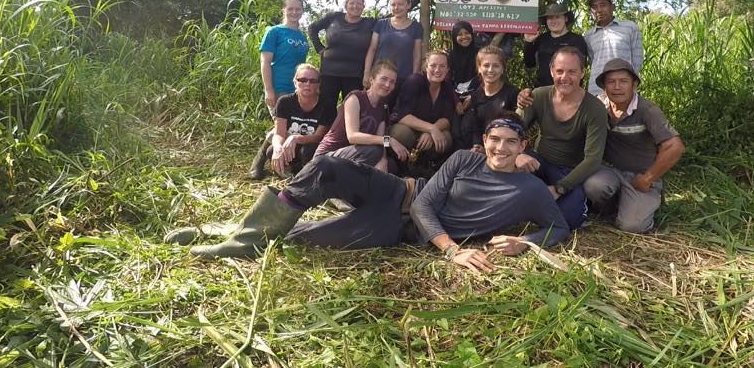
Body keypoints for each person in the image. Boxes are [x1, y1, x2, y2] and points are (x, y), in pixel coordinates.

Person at [168, 113, 570, 274]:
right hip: (400, 190)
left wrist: (527, 241)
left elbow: (560, 227)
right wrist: (451, 250)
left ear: (523, 145)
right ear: (485, 140)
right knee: (325, 167)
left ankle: (220, 234)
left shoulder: (531, 189)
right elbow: (427, 202)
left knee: (308, 238)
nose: (501, 149)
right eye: (495, 140)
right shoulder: (465, 159)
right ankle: (240, 236)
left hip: (397, 227)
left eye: (510, 142)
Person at [583, 59, 684, 233]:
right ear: (603, 87)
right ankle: (613, 206)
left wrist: (647, 178)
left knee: (633, 226)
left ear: (634, 84)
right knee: (593, 186)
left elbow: (675, 146)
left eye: (623, 81)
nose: (617, 87)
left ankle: (644, 202)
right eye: (611, 82)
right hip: (609, 170)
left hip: (639, 175)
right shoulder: (598, 106)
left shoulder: (647, 110)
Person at [515, 46, 606, 230]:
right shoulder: (537, 96)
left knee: (568, 221)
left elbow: (593, 160)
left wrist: (560, 189)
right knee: (507, 169)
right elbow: (510, 130)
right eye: (560, 71)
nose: (565, 77)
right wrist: (518, 154)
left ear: (582, 72)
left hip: (571, 172)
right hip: (539, 163)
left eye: (572, 72)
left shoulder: (595, 108)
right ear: (551, 71)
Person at [314, 60, 409, 170]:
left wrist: (383, 160)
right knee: (374, 152)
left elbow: (380, 139)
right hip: (327, 157)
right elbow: (353, 136)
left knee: (390, 165)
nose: (387, 85)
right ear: (371, 79)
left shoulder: (383, 107)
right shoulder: (355, 98)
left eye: (392, 82)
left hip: (355, 156)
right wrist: (390, 140)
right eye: (384, 79)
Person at [248, 64, 334, 180]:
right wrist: (278, 147)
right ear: (295, 82)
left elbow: (318, 136)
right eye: (302, 80)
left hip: (312, 147)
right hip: (291, 148)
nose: (307, 84)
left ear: (319, 84)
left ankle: (306, 177)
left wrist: (296, 138)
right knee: (271, 150)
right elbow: (279, 133)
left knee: (307, 151)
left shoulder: (327, 105)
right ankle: (290, 173)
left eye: (313, 81)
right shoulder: (284, 102)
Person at [308, 0, 377, 116]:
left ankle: (346, 134)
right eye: (352, 3)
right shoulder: (334, 17)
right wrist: (319, 48)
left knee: (351, 108)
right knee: (326, 106)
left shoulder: (369, 23)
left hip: (355, 74)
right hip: (329, 72)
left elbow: (392, 17)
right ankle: (324, 134)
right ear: (346, 5)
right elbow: (312, 28)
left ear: (363, 7)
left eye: (359, 4)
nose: (355, 6)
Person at [389, 51, 456, 162]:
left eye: (442, 66)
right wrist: (432, 128)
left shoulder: (447, 87)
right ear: (426, 67)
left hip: (429, 130)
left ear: (447, 70)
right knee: (403, 134)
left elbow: (447, 118)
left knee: (446, 138)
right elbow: (403, 116)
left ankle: (425, 166)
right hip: (405, 127)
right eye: (433, 65)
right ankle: (400, 164)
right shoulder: (414, 81)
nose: (437, 70)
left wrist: (433, 130)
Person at [364, 0, 423, 105]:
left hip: (403, 77)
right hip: (380, 77)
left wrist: (414, 77)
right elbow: (372, 49)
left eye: (400, 4)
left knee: (396, 112)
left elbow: (417, 53)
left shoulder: (416, 27)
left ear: (408, 5)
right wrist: (367, 73)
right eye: (393, 4)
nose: (396, 7)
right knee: (375, 108)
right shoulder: (381, 24)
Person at [460, 46, 519, 151]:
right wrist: (478, 145)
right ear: (479, 68)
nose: (490, 70)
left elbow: (517, 129)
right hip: (482, 147)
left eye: (496, 66)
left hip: (506, 149)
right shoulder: (475, 96)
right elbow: (476, 128)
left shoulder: (513, 94)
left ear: (502, 69)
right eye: (486, 65)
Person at [583, 0, 643, 96]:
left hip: (622, 88)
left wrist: (632, 83)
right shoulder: (589, 35)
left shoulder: (630, 27)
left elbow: (637, 58)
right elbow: (593, 60)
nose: (599, 10)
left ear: (612, 7)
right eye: (594, 7)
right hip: (596, 89)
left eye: (603, 5)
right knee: (597, 112)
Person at [259, 0, 310, 113]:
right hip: (278, 88)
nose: (294, 12)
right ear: (284, 10)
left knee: (292, 127)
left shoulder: (302, 36)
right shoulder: (274, 32)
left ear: (302, 11)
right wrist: (269, 90)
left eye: (298, 9)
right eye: (290, 9)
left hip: (297, 89)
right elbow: (265, 62)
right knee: (281, 126)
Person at [523, 3, 589, 88]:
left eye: (557, 17)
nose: (554, 21)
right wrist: (528, 42)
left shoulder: (577, 40)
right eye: (550, 18)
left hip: (567, 89)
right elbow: (529, 63)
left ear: (565, 18)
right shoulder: (541, 38)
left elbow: (580, 69)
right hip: (543, 90)